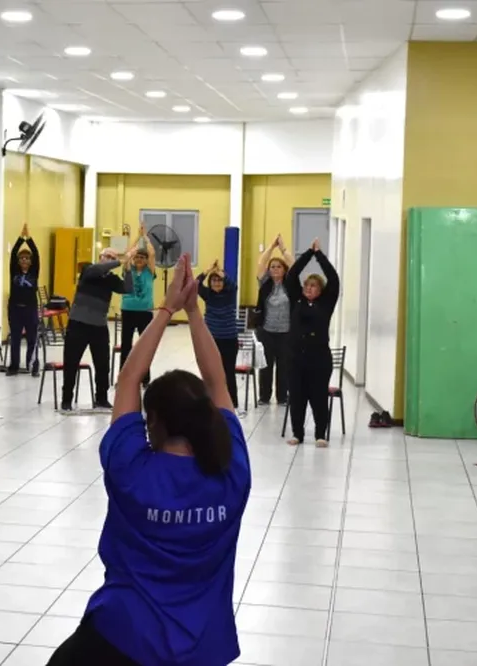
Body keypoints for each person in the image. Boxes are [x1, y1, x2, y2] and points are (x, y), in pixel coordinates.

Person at [49, 253, 251, 666]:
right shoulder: (231, 471)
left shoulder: (131, 470)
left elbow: (126, 379)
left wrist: (167, 309)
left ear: (152, 422)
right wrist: (195, 313)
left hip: (122, 637)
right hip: (201, 647)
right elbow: (218, 380)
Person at [285, 238, 339, 447]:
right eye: (307, 285)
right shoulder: (296, 299)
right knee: (297, 397)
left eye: (314, 286)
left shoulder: (326, 303)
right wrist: (308, 253)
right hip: (295, 357)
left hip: (319, 359)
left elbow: (334, 279)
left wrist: (320, 256)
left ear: (321, 289)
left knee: (318, 397)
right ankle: (297, 433)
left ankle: (320, 435)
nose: (308, 288)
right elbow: (292, 275)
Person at [62, 248, 127, 411]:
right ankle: (66, 399)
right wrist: (120, 260)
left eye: (113, 257)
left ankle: (101, 399)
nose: (109, 260)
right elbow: (98, 270)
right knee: (71, 362)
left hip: (99, 326)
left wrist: (128, 268)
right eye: (107, 257)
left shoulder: (111, 279)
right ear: (100, 257)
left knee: (103, 364)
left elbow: (127, 288)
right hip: (78, 324)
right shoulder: (89, 270)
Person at [253, 234, 293, 406]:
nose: (275, 269)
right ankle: (264, 397)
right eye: (273, 267)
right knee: (266, 366)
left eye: (278, 267)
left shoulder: (291, 285)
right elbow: (260, 263)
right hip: (267, 331)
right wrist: (271, 246)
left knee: (284, 366)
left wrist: (283, 248)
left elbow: (294, 264)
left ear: (284, 270)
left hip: (286, 332)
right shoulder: (265, 284)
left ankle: (282, 397)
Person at [197, 259, 239, 408]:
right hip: (211, 339)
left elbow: (234, 285)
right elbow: (196, 284)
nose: (217, 283)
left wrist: (221, 272)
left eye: (220, 281)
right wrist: (207, 270)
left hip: (229, 339)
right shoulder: (208, 295)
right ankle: (211, 401)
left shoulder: (230, 293)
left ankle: (232, 402)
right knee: (211, 371)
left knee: (228, 371)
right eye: (214, 281)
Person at [119, 225, 157, 387]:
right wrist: (136, 238)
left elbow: (153, 253)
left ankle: (145, 377)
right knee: (126, 345)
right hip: (128, 311)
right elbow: (128, 254)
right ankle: (123, 376)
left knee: (144, 346)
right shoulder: (128, 270)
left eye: (142, 257)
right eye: (137, 257)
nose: (139, 259)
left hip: (145, 312)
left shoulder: (149, 271)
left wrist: (145, 237)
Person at [7, 222, 40, 377]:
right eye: (22, 258)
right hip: (15, 308)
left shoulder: (34, 271)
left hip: (30, 308)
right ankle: (14, 366)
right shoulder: (14, 270)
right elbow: (13, 253)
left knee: (32, 338)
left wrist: (29, 238)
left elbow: (36, 254)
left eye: (27, 258)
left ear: (31, 261)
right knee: (15, 338)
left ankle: (32, 364)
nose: (24, 260)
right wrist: (21, 239)